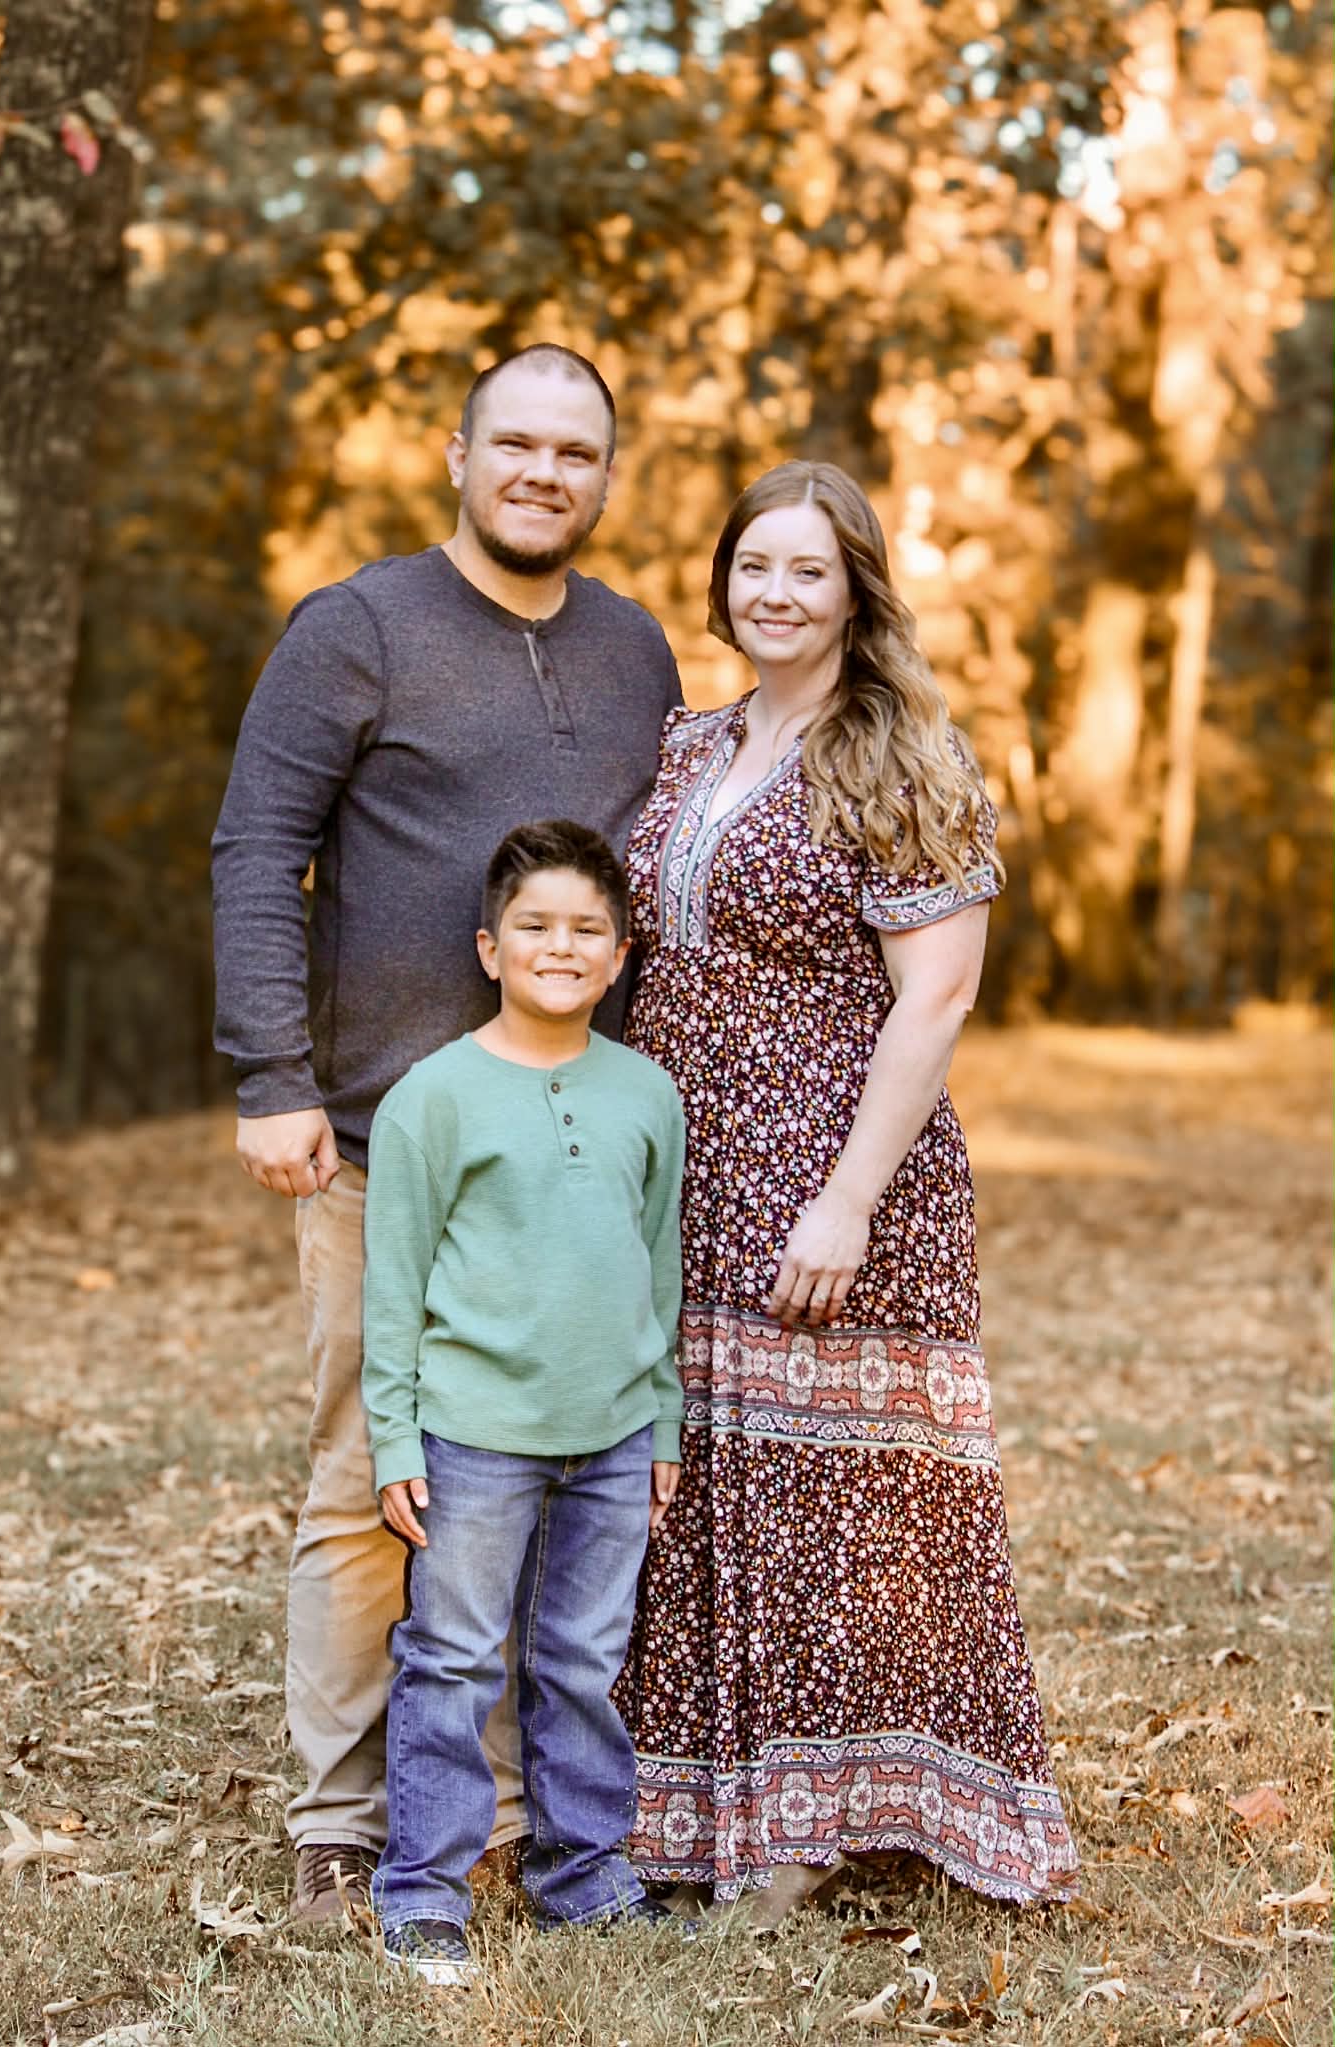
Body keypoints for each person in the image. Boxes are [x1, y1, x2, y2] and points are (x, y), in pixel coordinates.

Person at [210, 346, 681, 1925]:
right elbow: (257, 844)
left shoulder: (632, 647)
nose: (544, 472)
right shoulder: (357, 627)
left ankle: (507, 1811)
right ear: (457, 453)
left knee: (545, 1482)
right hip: (381, 1143)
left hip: (569, 1158)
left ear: (603, 475)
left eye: (575, 451)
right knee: (374, 1475)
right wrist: (269, 1071)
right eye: (516, 443)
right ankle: (341, 1817)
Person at [613, 461, 1080, 1926]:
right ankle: (699, 1810)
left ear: (855, 590)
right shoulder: (691, 743)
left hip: (834, 1163)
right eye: (752, 565)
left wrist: (848, 1198)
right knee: (705, 1489)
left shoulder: (901, 753)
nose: (774, 592)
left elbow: (936, 998)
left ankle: (812, 1830)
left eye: (806, 570)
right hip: (689, 1170)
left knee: (839, 1503)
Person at [361, 820, 686, 1983]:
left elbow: (657, 1269)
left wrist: (661, 1417)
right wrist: (394, 1436)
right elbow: (392, 1286)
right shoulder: (431, 1099)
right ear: (489, 949)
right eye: (535, 926)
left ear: (620, 954)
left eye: (587, 929)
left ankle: (583, 1877)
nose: (561, 946)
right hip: (474, 1434)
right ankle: (422, 1891)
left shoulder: (645, 1094)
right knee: (451, 1659)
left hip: (613, 1434)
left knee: (582, 1661)